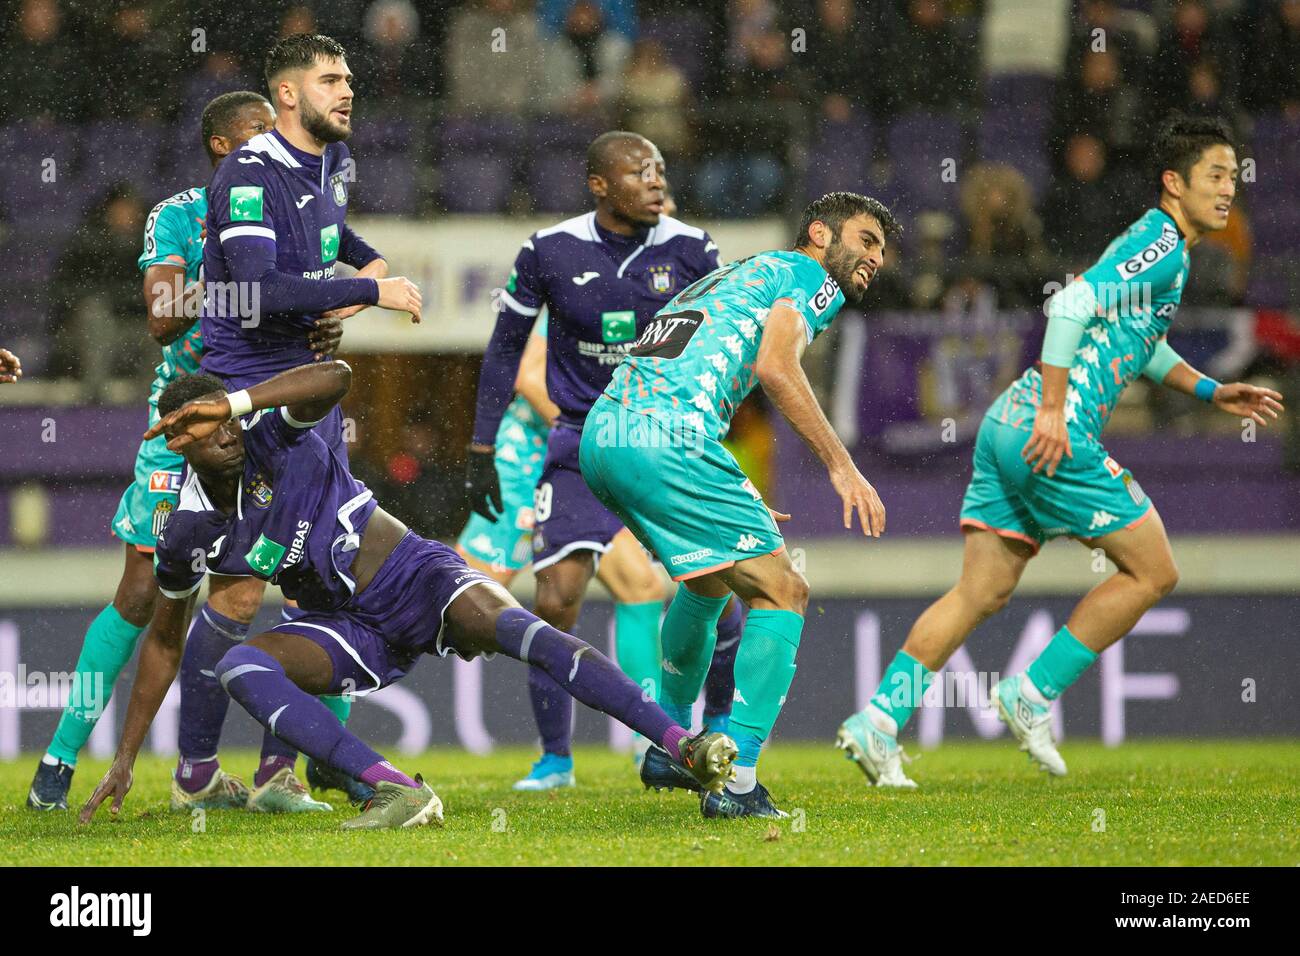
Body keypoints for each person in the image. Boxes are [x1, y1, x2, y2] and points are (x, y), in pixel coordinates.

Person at [79, 361, 738, 830]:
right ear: (172, 440)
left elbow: (334, 376)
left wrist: (236, 403)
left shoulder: (269, 434)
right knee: (240, 665)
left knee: (530, 633)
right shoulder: (189, 527)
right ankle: (394, 789)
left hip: (417, 576)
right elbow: (166, 641)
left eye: (220, 419)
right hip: (344, 627)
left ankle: (680, 743)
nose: (220, 435)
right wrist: (128, 757)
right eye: (198, 427)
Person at [836, 115, 1284, 788]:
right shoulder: (1161, 243)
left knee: (979, 591)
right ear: (1174, 182)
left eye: (1233, 176)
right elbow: (1071, 305)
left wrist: (1209, 389)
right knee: (1154, 572)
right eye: (1215, 176)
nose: (1229, 189)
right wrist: (1054, 411)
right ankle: (1033, 692)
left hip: (1005, 424)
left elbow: (1137, 339)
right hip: (1051, 428)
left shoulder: (1160, 245)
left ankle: (876, 721)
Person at [581, 191, 900, 817]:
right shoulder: (810, 278)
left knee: (705, 581)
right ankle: (740, 784)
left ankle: (669, 743)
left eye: (883, 251)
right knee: (784, 592)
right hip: (668, 435)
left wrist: (726, 488)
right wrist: (842, 466)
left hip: (607, 435)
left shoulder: (736, 275)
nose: (876, 259)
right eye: (866, 241)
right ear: (819, 233)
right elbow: (777, 367)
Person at [26, 92, 301, 813]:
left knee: (307, 583)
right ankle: (58, 759)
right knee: (143, 594)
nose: (276, 145)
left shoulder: (293, 211)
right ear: (221, 146)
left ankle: (285, 772)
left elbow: (319, 306)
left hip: (267, 416)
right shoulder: (178, 215)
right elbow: (159, 317)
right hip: (184, 419)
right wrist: (252, 288)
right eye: (259, 134)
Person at [192, 32, 422, 807]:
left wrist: (369, 276)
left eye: (350, 78)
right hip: (252, 403)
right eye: (329, 79)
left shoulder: (332, 165)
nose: (347, 90)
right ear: (287, 94)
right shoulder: (248, 172)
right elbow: (255, 290)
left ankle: (278, 773)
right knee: (236, 591)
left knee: (319, 587)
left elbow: (348, 247)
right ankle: (195, 779)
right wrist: (364, 295)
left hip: (312, 397)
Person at [465, 131, 724, 791]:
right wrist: (481, 444)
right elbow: (504, 349)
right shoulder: (549, 250)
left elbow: (729, 348)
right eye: (640, 172)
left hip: (663, 443)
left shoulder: (693, 251)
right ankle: (555, 759)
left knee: (721, 589)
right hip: (577, 441)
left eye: (662, 169)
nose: (658, 181)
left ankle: (713, 736)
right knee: (554, 599)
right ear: (600, 185)